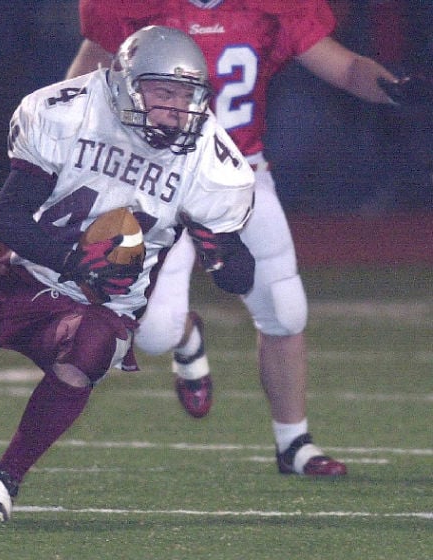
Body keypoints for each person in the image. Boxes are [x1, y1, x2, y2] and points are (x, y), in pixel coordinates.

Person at [0, 25, 255, 522]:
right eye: (163, 92)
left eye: (187, 96)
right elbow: (7, 219)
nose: (176, 109)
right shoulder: (70, 109)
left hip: (98, 309)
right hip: (23, 277)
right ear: (126, 83)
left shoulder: (210, 159)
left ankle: (1, 480)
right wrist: (76, 264)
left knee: (94, 343)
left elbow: (240, 277)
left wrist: (223, 256)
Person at [65, 0, 405, 476]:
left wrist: (395, 89)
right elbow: (78, 84)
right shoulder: (139, 9)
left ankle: (295, 442)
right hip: (156, 181)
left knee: (285, 310)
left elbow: (348, 69)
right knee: (157, 333)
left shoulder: (266, 9)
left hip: (240, 175)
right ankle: (187, 335)